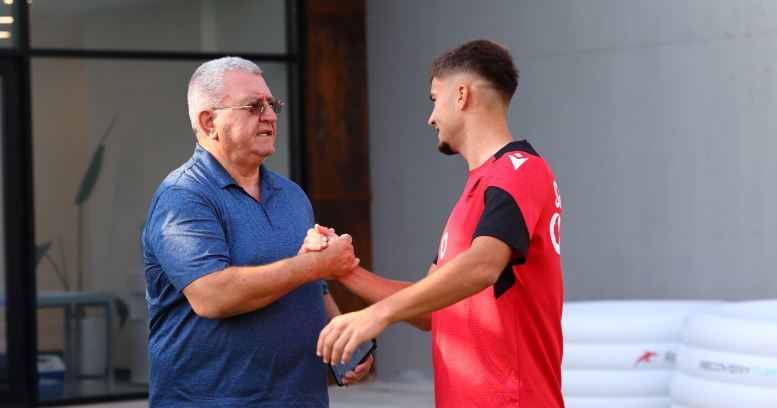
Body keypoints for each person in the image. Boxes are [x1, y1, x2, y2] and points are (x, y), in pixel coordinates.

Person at [310, 40, 564, 407]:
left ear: (461, 95)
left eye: (434, 99)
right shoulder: (479, 189)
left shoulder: (520, 169)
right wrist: (344, 269)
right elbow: (430, 309)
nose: (431, 118)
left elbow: (484, 265)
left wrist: (376, 315)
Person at [141, 56, 371, 407]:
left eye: (272, 105)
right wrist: (315, 264)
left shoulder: (292, 195)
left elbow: (312, 285)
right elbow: (212, 295)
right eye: (253, 106)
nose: (270, 116)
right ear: (209, 122)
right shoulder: (183, 196)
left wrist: (343, 343)